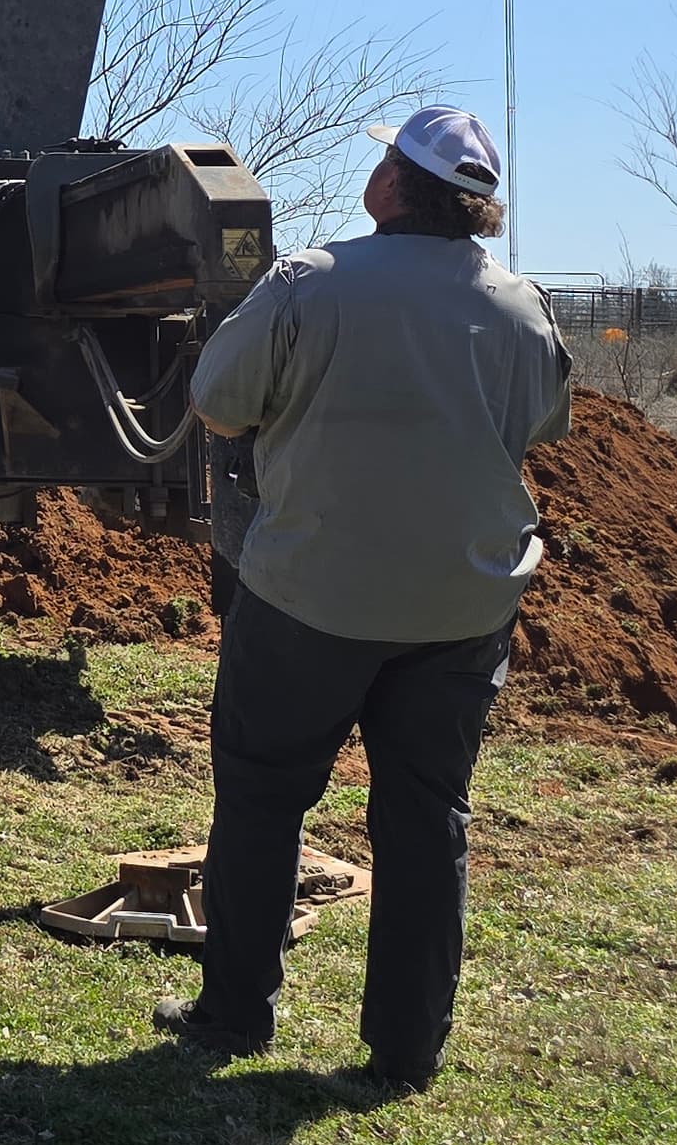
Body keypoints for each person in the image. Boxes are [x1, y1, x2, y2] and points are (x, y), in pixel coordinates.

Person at [153, 104, 570, 1087]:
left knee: (262, 797)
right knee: (428, 820)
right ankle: (405, 1053)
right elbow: (546, 426)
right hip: (464, 610)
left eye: (383, 160)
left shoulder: (309, 283)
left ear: (391, 188)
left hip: (311, 596)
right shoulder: (524, 307)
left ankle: (236, 1018)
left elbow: (217, 401)